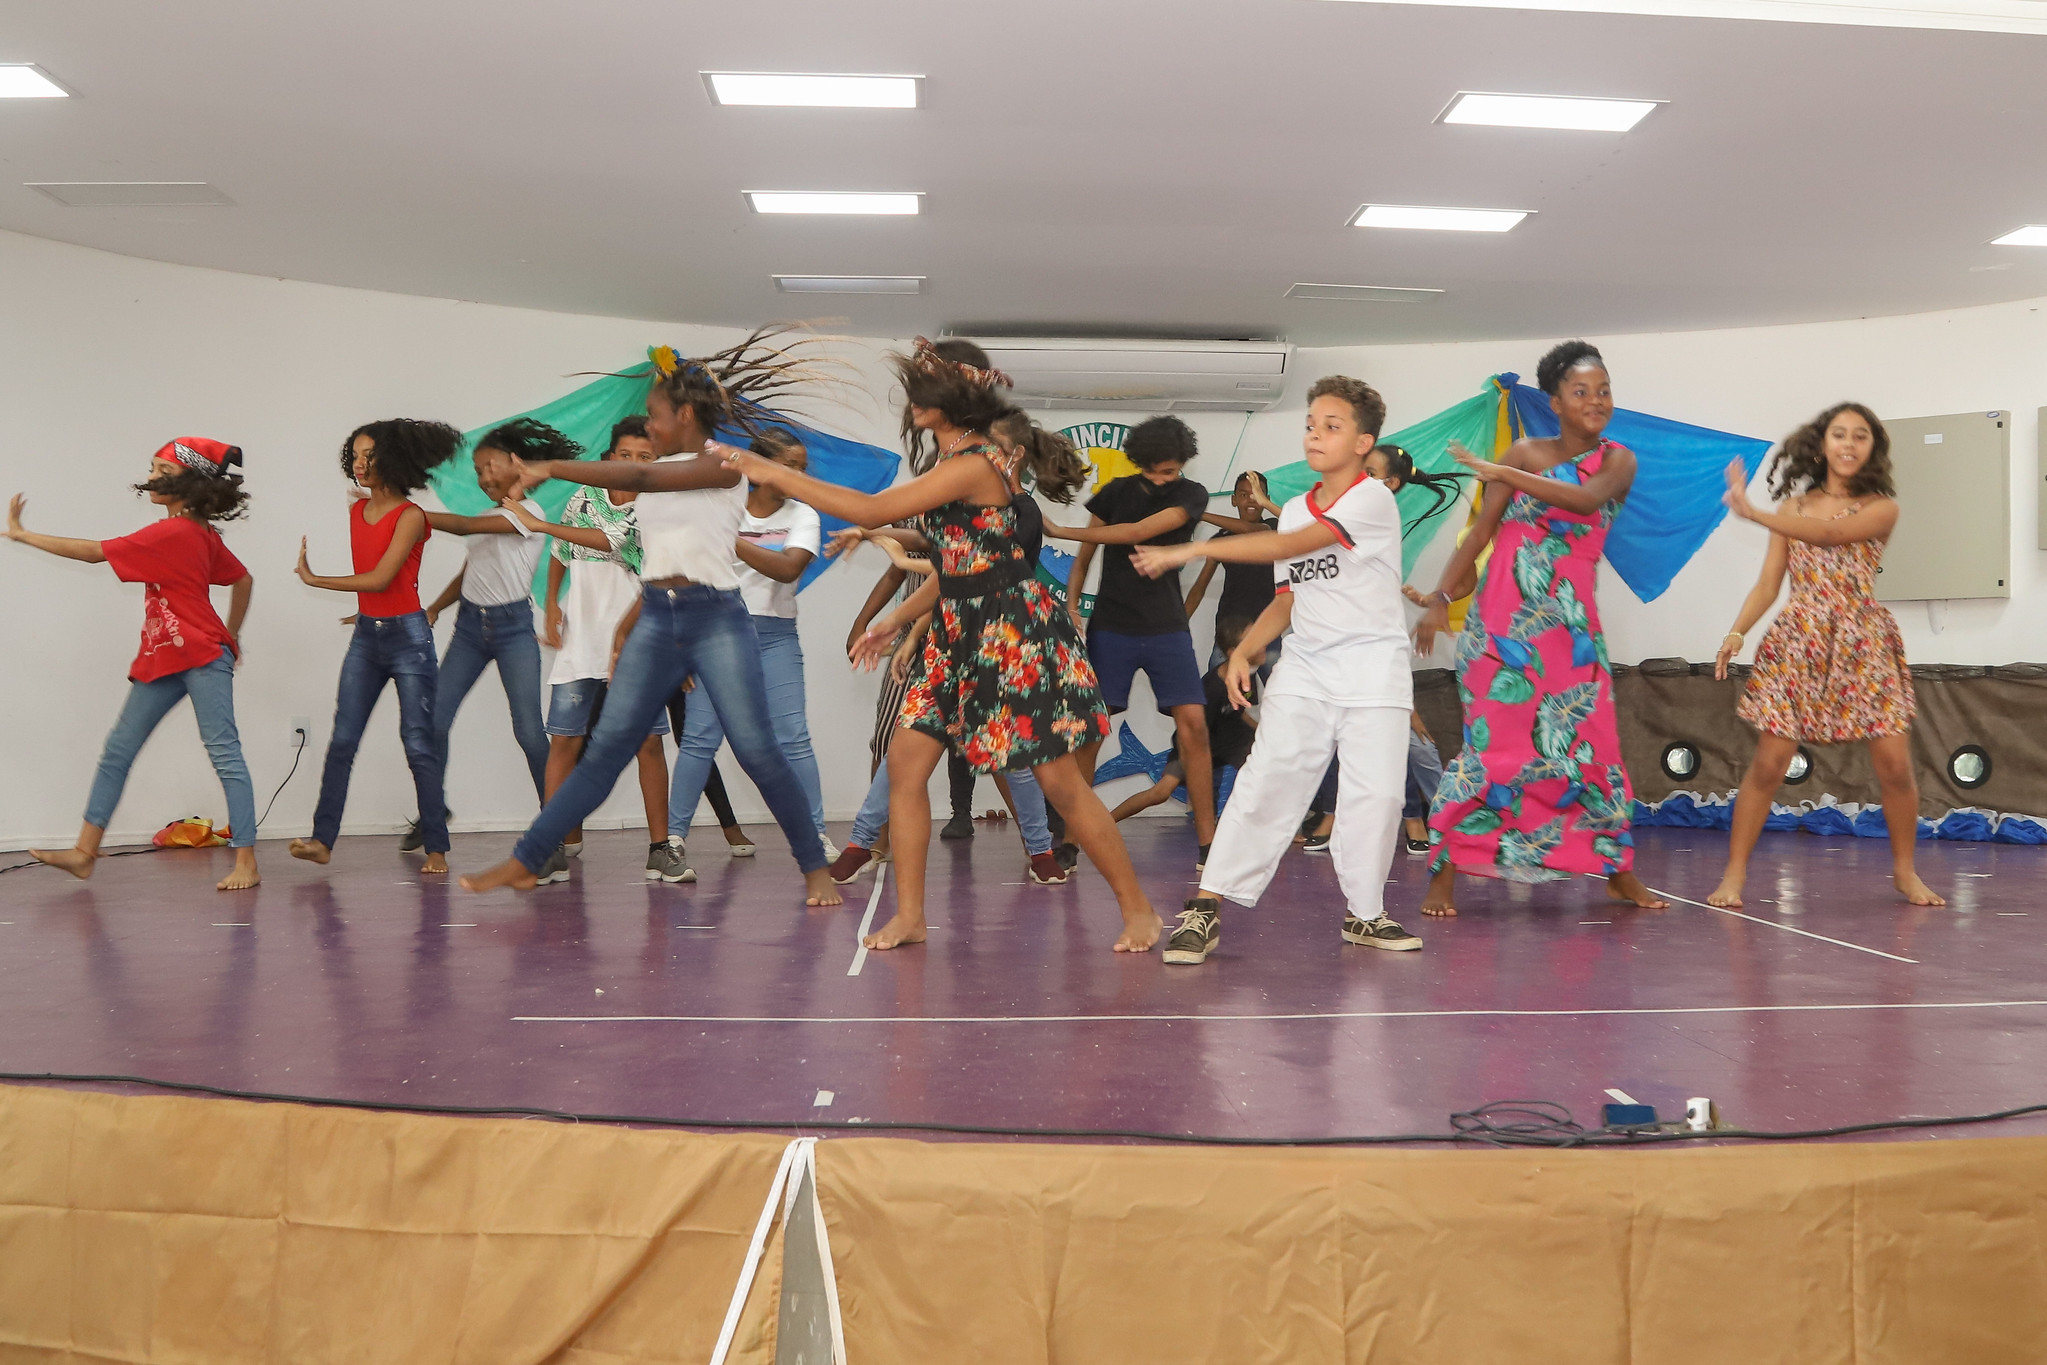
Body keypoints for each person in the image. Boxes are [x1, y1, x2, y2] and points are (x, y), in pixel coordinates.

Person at [731, 337, 1163, 952]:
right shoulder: (956, 459)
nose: (910, 402)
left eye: (921, 391)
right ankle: (909, 916)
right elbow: (961, 562)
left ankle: (1139, 910)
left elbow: (878, 506)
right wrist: (899, 619)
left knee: (1059, 782)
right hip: (960, 630)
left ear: (950, 399)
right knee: (906, 770)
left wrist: (774, 473)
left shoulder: (977, 462)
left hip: (1009, 635)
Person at [459, 331, 841, 906]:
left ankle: (814, 868)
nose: (650, 426)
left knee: (757, 749)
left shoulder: (722, 466)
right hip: (658, 619)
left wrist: (550, 466)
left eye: (655, 416)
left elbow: (637, 478)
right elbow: (628, 504)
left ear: (684, 414)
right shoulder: (661, 470)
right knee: (608, 744)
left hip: (716, 618)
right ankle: (526, 859)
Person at [1131, 376, 1423, 964]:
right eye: (1311, 424)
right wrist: (1246, 649)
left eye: (1332, 426)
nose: (1315, 434)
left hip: (1374, 671)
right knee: (1267, 780)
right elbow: (1289, 597)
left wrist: (1193, 549)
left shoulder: (1372, 499)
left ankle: (1366, 913)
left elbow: (1289, 550)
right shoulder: (1291, 508)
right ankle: (1206, 906)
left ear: (1364, 443)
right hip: (1309, 669)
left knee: (1378, 796)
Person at [1412, 341, 1667, 916]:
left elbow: (1583, 499)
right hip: (1500, 629)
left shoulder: (1618, 461)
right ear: (1556, 402)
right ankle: (1445, 870)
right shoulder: (1526, 451)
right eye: (1582, 392)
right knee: (1490, 750)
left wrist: (1503, 470)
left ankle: (1615, 868)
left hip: (1570, 632)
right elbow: (1478, 536)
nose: (1596, 401)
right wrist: (1438, 599)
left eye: (1603, 390)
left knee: (1592, 747)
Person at [823, 409, 1088, 887]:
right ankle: (861, 843)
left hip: (998, 646)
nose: (972, 459)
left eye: (985, 452)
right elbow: (938, 552)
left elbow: (961, 577)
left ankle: (1043, 851)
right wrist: (871, 535)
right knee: (904, 752)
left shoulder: (1020, 513)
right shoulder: (968, 505)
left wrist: (908, 622)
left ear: (1011, 456)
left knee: (1019, 761)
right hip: (949, 647)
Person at [1707, 404, 1944, 909]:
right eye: (1840, 434)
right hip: (1801, 638)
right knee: (1770, 761)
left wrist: (1753, 512)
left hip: (1864, 640)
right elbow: (1769, 582)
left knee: (1895, 765)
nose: (1850, 443)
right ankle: (1733, 874)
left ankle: (1905, 871)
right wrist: (1736, 632)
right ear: (1822, 445)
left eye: (1861, 436)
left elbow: (1832, 535)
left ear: (1872, 449)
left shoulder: (1882, 508)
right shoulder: (1792, 510)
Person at [9, 439, 261, 891]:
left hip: (201, 653)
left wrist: (25, 535)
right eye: (151, 467)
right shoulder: (200, 532)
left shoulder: (178, 532)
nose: (151, 475)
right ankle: (85, 853)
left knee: (224, 753)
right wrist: (233, 633)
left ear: (186, 481)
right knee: (119, 750)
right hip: (166, 655)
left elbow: (92, 552)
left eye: (161, 468)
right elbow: (242, 579)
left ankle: (247, 863)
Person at [292, 419, 464, 871]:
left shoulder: (412, 516)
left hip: (409, 639)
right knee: (343, 740)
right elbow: (375, 588)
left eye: (370, 455)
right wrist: (365, 611)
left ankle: (437, 849)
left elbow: (383, 577)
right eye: (355, 455)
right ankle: (321, 841)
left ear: (393, 459)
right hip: (368, 637)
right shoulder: (357, 512)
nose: (360, 464)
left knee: (417, 743)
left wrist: (315, 579)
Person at [1047, 415, 1218, 868]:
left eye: (1174, 469)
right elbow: (1085, 559)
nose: (1168, 478)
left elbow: (1140, 532)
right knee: (1091, 733)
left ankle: (1208, 843)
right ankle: (1071, 840)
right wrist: (1071, 605)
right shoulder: (1116, 491)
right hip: (1113, 625)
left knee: (1195, 726)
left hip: (1167, 626)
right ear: (1142, 462)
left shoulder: (1190, 494)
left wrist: (1062, 530)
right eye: (1159, 470)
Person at [663, 428, 831, 881]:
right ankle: (671, 842)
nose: (800, 474)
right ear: (763, 467)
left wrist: (727, 537)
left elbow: (788, 567)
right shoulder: (724, 506)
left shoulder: (804, 514)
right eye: (790, 465)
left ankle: (815, 833)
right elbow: (687, 575)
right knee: (698, 739)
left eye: (802, 467)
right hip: (715, 634)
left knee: (793, 736)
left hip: (776, 635)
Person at [524, 415, 684, 884]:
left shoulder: (655, 509)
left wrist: (538, 523)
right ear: (608, 458)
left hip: (637, 645)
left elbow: (611, 542)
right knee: (565, 742)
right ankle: (549, 845)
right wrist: (553, 603)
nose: (634, 465)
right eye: (625, 456)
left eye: (645, 458)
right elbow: (560, 553)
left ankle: (660, 848)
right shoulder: (584, 497)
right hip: (580, 641)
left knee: (648, 745)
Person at [402, 419, 571, 847]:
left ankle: (555, 823)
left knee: (530, 732)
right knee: (434, 721)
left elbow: (462, 527)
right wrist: (436, 607)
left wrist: (406, 513)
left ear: (516, 464)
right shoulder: (485, 517)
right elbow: (472, 570)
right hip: (470, 630)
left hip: (514, 628)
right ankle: (432, 812)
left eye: (489, 466)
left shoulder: (529, 513)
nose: (484, 478)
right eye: (477, 472)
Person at [1298, 443, 1463, 855]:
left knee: (1406, 743)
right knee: (1343, 742)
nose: (1358, 476)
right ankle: (1340, 817)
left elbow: (1379, 614)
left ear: (1390, 484)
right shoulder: (1344, 512)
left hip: (1374, 658)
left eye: (1369, 471)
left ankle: (1432, 822)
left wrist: (1430, 604)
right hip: (1337, 653)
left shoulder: (1376, 521)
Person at [1110, 616, 1260, 826]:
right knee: (1161, 793)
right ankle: (1106, 821)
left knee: (1267, 777)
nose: (1262, 642)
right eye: (1253, 639)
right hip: (1195, 744)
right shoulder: (1211, 688)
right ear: (1233, 652)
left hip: (1231, 742)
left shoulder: (1248, 674)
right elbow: (1191, 730)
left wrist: (1262, 732)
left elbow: (1242, 712)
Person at [1183, 470, 1282, 668]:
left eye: (1256, 494)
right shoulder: (1221, 539)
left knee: (1278, 692)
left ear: (1266, 499)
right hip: (1228, 634)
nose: (1251, 501)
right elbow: (1199, 588)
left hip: (1267, 631)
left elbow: (1250, 531)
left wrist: (1200, 514)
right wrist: (1177, 626)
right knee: (1221, 693)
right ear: (1233, 499)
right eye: (1244, 495)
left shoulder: (1272, 526)